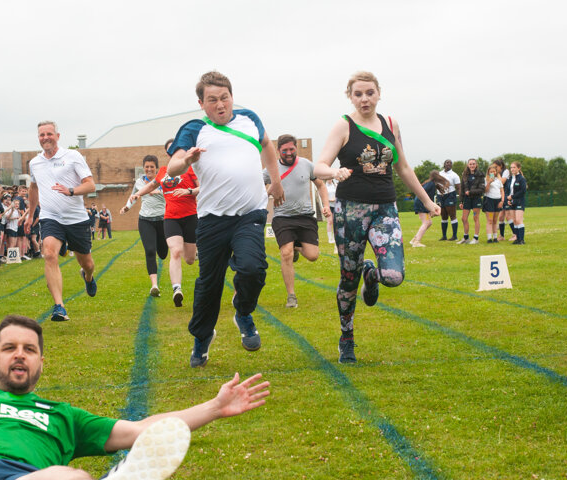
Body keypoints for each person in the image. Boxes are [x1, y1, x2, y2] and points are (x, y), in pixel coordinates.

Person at [0, 315, 270, 480]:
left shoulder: (62, 414)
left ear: (41, 362)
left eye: (29, 349)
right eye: (9, 348)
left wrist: (215, 407)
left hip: (28, 477)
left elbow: (143, 431)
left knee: (69, 477)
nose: (20, 355)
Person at [313, 71, 439, 364]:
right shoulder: (343, 126)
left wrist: (427, 200)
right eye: (358, 94)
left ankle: (372, 275)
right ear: (350, 96)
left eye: (369, 93)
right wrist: (334, 172)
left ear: (379, 93)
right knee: (348, 277)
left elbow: (403, 167)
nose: (364, 99)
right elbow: (318, 166)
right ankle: (347, 338)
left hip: (385, 208)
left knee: (394, 276)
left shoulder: (391, 124)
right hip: (350, 211)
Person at [167, 71, 285, 367]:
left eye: (224, 98)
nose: (220, 105)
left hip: (250, 214)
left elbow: (267, 144)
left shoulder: (250, 119)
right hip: (212, 219)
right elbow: (172, 167)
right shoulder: (194, 129)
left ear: (232, 96)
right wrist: (187, 160)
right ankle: (202, 337)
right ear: (201, 103)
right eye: (212, 100)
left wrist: (276, 180)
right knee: (209, 285)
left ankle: (243, 311)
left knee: (252, 269)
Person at [25, 121, 97, 322]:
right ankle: (59, 306)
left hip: (76, 219)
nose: (45, 138)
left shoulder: (72, 156)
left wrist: (70, 190)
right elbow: (33, 188)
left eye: (49, 134)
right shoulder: (34, 163)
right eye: (41, 135)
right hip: (50, 217)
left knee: (87, 263)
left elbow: (90, 185)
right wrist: (30, 215)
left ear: (57, 136)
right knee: (49, 253)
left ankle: (88, 276)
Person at [129, 140, 200, 307]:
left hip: (190, 216)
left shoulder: (191, 169)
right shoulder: (163, 171)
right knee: (175, 251)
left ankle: (195, 253)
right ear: (169, 154)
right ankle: (177, 289)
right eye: (171, 150)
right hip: (170, 218)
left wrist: (189, 191)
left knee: (189, 259)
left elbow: (204, 188)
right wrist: (137, 194)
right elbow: (151, 185)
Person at [264, 134, 330, 308]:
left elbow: (320, 185)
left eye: (291, 149)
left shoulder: (306, 164)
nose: (288, 153)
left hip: (305, 216)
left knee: (313, 256)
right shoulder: (271, 169)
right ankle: (291, 296)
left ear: (296, 148)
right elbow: (258, 187)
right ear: (278, 150)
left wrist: (326, 205)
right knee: (285, 253)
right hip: (282, 217)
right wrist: (268, 191)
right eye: (284, 150)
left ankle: (295, 246)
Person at [119, 155, 167, 297]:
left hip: (163, 220)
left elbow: (168, 194)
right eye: (147, 166)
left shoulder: (163, 180)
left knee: (163, 253)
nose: (149, 169)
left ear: (156, 168)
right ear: (143, 168)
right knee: (150, 251)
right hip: (145, 220)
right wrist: (127, 207)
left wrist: (156, 191)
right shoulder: (139, 182)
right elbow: (134, 196)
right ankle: (154, 285)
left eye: (152, 166)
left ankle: (161, 247)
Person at [410, 170, 449, 247]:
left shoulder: (431, 183)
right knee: (426, 222)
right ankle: (416, 242)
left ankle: (414, 239)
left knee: (429, 222)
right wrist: (430, 208)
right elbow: (424, 195)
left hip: (421, 203)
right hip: (421, 203)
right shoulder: (430, 184)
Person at [457, 158, 485, 244]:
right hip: (467, 199)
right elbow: (462, 189)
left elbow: (482, 189)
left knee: (475, 218)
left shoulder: (480, 175)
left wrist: (471, 192)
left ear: (476, 165)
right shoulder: (465, 175)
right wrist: (461, 201)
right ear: (468, 165)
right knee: (464, 218)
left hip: (476, 199)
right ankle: (466, 238)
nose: (472, 165)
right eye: (470, 164)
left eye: (473, 164)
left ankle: (476, 238)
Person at [437, 159, 461, 241]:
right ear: (444, 164)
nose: (448, 164)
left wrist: (461, 199)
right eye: (447, 162)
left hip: (450, 195)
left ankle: (454, 236)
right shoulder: (439, 173)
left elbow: (458, 188)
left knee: (452, 215)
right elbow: (435, 183)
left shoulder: (454, 175)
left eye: (450, 163)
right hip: (440, 195)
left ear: (452, 165)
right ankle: (444, 236)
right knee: (443, 216)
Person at [505, 161, 527, 244]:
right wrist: (508, 199)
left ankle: (522, 240)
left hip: (519, 202)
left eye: (514, 167)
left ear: (518, 168)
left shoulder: (521, 179)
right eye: (511, 167)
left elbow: (523, 191)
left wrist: (512, 196)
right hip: (511, 202)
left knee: (518, 220)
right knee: (514, 220)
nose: (512, 169)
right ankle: (517, 239)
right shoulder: (510, 179)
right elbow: (507, 190)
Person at [482, 164, 505, 243]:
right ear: (488, 172)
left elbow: (502, 191)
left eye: (494, 171)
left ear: (496, 172)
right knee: (490, 220)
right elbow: (485, 191)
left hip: (497, 201)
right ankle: (489, 238)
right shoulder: (485, 180)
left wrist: (502, 201)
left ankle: (495, 238)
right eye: (491, 171)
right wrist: (489, 182)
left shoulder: (498, 180)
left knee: (495, 220)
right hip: (489, 201)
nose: (492, 172)